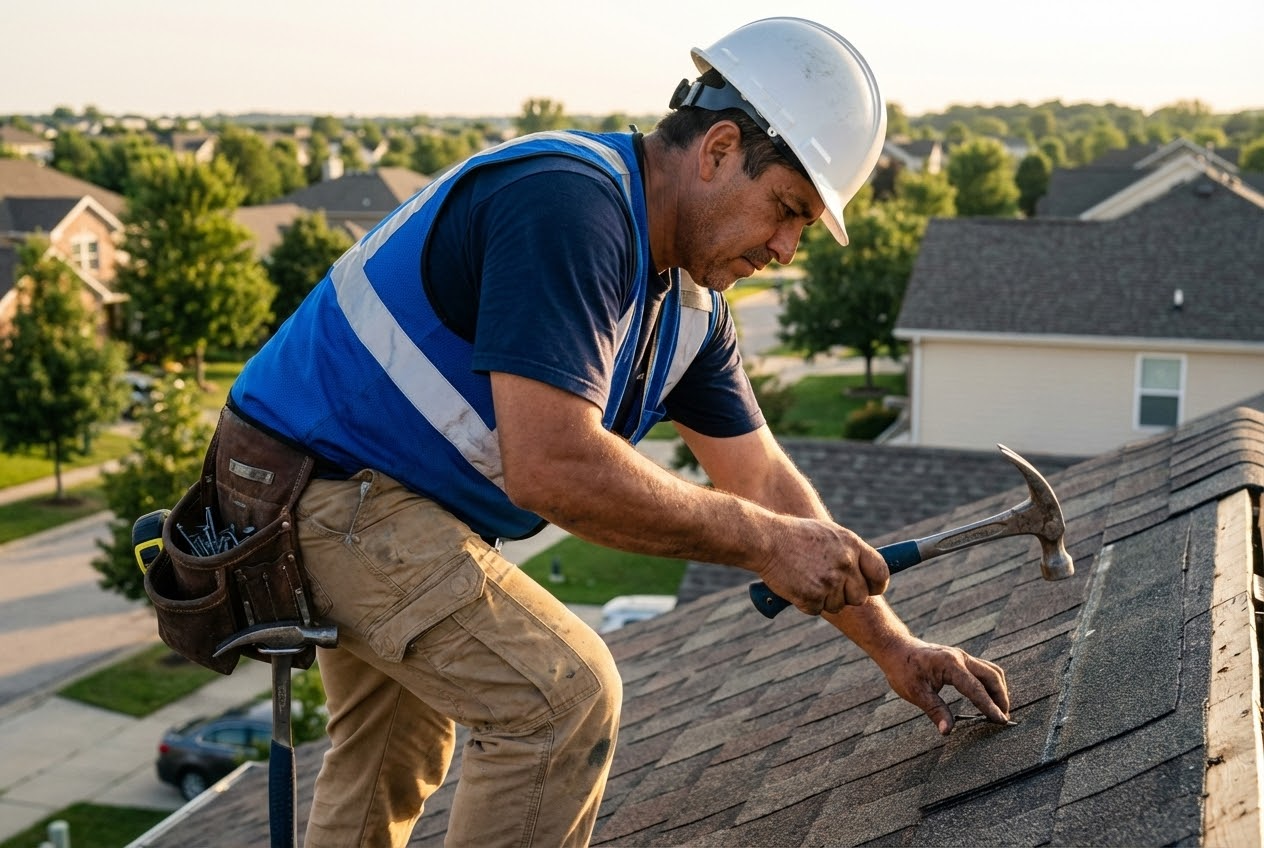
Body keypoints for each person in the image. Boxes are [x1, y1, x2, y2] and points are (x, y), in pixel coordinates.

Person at [224, 17, 1010, 848]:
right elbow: (554, 466)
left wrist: (894, 645)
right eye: (785, 208)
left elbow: (766, 484)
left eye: (805, 226)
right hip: (311, 489)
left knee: (396, 745)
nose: (785, 247)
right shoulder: (569, 203)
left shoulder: (690, 306)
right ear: (717, 150)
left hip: (384, 502)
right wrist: (763, 544)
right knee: (559, 698)